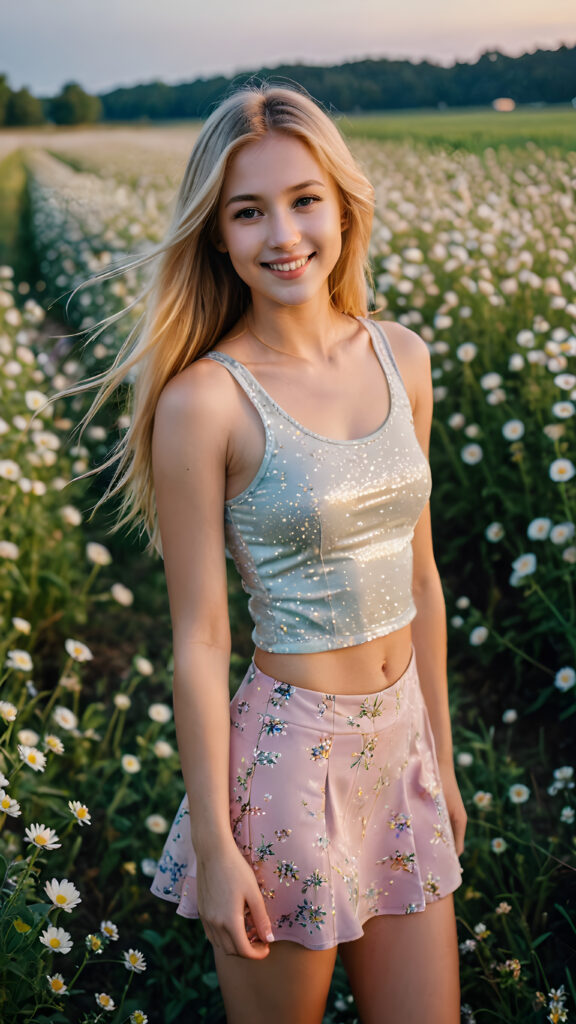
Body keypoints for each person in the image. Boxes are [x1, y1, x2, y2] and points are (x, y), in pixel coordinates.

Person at [81, 83, 467, 1024]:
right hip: (289, 766)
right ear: (216, 235)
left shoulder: (401, 356)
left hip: (402, 744)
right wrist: (216, 845)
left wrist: (443, 765)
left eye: (303, 201)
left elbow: (421, 578)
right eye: (248, 212)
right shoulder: (205, 402)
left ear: (342, 206)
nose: (283, 233)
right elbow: (201, 640)